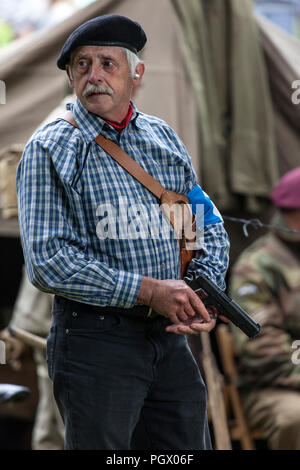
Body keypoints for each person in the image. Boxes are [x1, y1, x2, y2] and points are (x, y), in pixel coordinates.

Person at [16, 14, 230, 450]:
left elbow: (204, 224)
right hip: (95, 342)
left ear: (137, 73)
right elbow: (48, 261)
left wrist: (201, 289)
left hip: (168, 340)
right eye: (82, 65)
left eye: (107, 63)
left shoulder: (163, 138)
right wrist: (149, 290)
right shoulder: (50, 148)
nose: (93, 75)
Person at [229, 166, 300, 450]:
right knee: (295, 419)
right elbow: (260, 345)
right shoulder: (257, 266)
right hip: (275, 386)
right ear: (292, 214)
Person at [0, 267, 65, 450]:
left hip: (71, 353)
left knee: (68, 430)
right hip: (45, 355)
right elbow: (14, 337)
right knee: (47, 434)